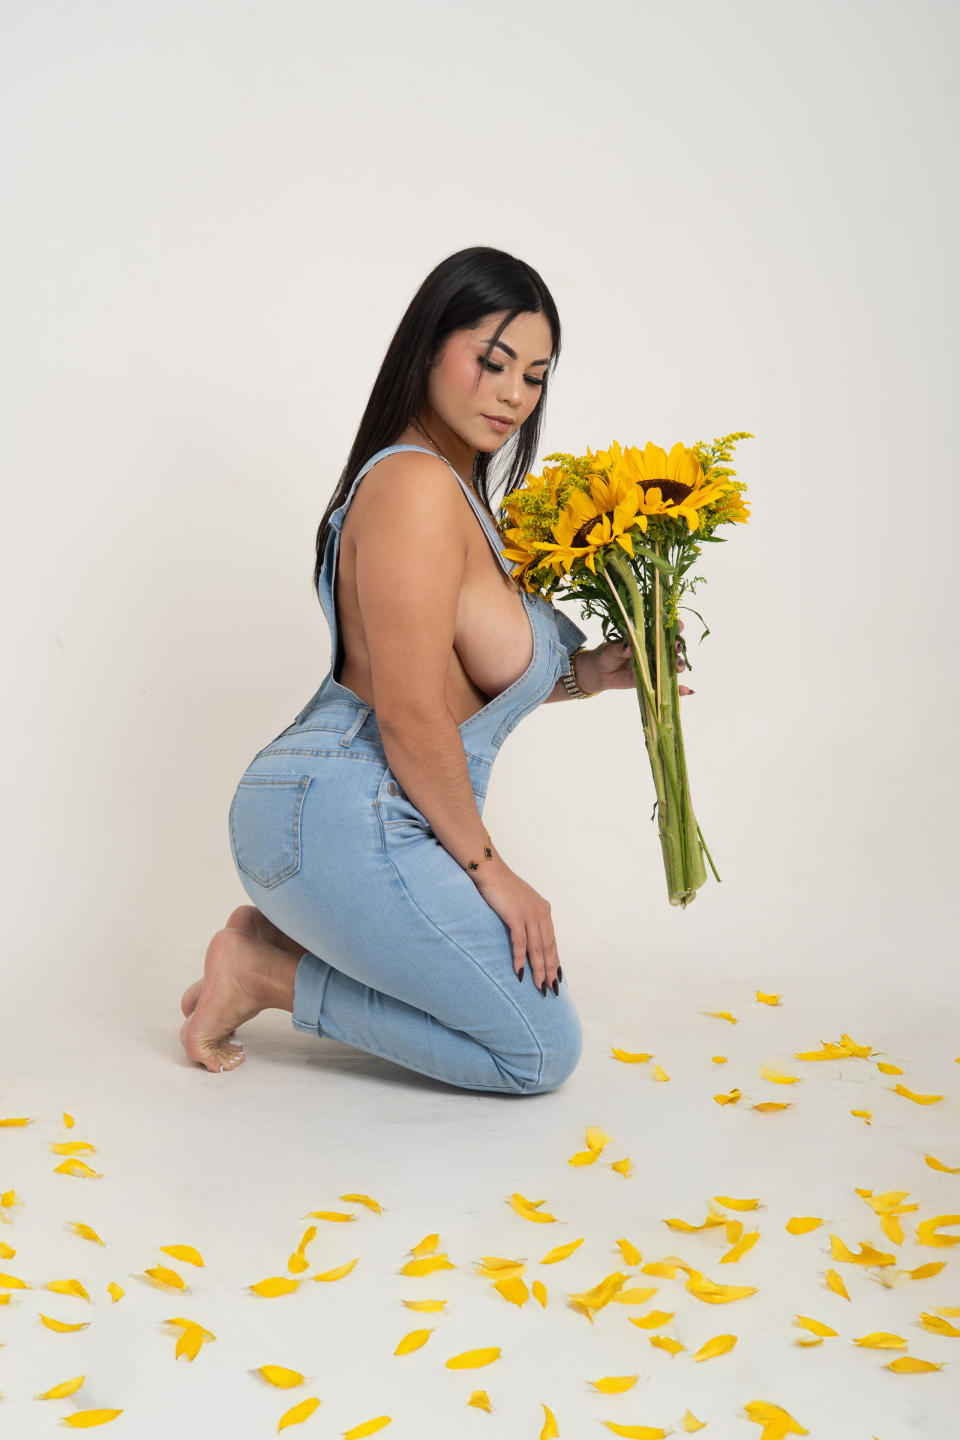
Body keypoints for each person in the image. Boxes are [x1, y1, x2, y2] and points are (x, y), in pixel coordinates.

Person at [179, 246, 692, 1093]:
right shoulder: (414, 486)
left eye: (535, 376)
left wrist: (591, 673)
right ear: (427, 349)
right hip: (348, 808)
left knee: (523, 1032)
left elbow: (458, 683)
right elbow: (411, 712)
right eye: (493, 362)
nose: (513, 394)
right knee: (536, 1052)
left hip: (351, 808)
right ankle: (263, 974)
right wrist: (495, 873)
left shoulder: (457, 494)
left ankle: (271, 945)